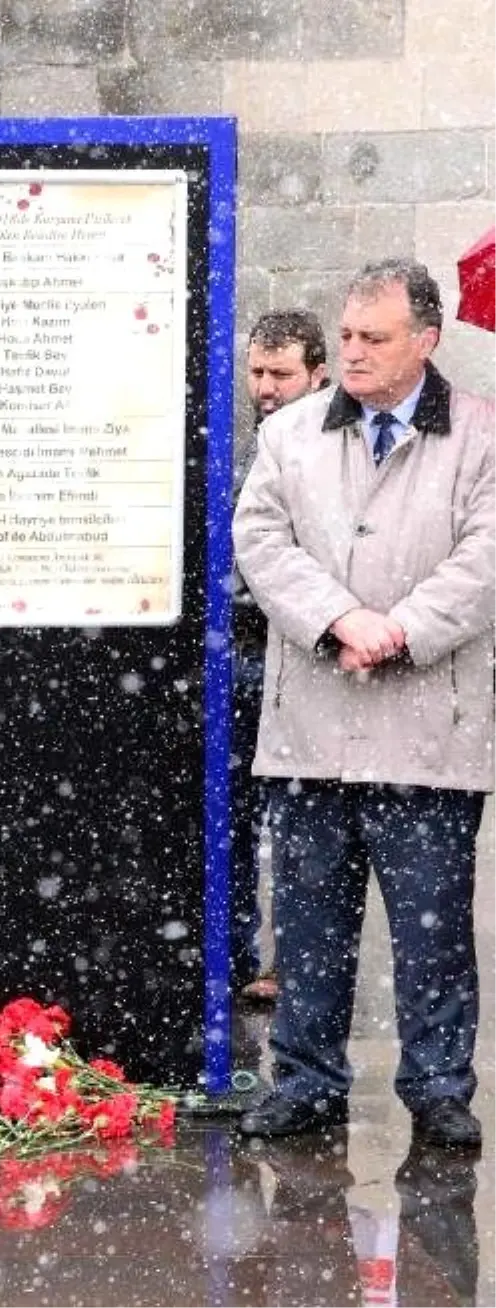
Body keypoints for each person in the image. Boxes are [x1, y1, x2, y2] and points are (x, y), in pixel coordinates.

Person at [234, 258, 496, 1148]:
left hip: (429, 729)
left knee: (433, 933)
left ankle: (437, 1086)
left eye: (373, 338)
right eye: (346, 334)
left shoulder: (480, 436)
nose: (351, 352)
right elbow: (259, 539)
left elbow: (485, 561)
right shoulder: (292, 433)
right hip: (312, 723)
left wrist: (400, 628)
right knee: (310, 926)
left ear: (426, 340)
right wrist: (339, 617)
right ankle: (306, 1079)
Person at [232, 310, 328, 1005]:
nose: (266, 387)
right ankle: (240, 954)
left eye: (281, 374)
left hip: (300, 658)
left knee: (299, 832)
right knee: (235, 820)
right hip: (239, 657)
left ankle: (292, 963)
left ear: (316, 374)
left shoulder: (329, 449)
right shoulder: (249, 448)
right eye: (258, 373)